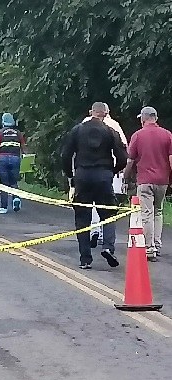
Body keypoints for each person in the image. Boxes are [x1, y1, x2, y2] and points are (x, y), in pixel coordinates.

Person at [61, 101, 128, 270]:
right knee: (109, 214)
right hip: (103, 175)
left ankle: (85, 259)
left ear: (91, 112)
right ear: (105, 113)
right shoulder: (110, 131)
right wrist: (112, 171)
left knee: (82, 217)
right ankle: (108, 247)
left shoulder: (77, 130)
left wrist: (71, 175)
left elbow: (65, 154)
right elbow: (122, 157)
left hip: (82, 176)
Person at [123, 106, 172, 262]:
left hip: (144, 180)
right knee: (158, 211)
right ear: (156, 118)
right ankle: (156, 244)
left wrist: (125, 176)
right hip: (162, 180)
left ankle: (149, 248)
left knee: (147, 214)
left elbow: (130, 160)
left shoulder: (138, 135)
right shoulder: (167, 135)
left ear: (143, 119)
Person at [82, 103, 128, 248]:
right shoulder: (114, 125)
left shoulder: (84, 124)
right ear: (107, 112)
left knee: (91, 203)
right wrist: (119, 169)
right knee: (107, 205)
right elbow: (123, 147)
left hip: (86, 170)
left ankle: (93, 230)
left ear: (91, 112)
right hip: (108, 170)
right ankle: (104, 236)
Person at [0, 112, 27, 214]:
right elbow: (23, 147)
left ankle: (4, 207)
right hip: (15, 159)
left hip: (2, 159)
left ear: (3, 121)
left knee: (4, 184)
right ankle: (16, 198)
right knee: (13, 182)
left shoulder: (0, 133)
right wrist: (26, 157)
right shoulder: (18, 133)